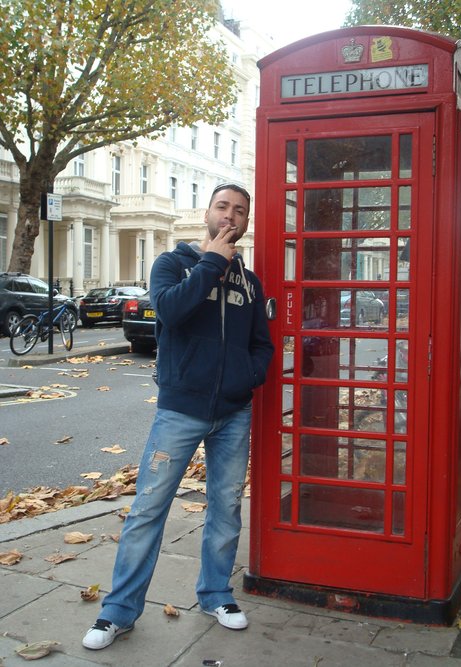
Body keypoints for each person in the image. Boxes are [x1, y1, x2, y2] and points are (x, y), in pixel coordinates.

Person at [82, 183, 274, 650]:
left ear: (248, 221)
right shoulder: (173, 264)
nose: (231, 216)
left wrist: (249, 376)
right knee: (148, 508)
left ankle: (215, 594)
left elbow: (261, 343)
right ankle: (118, 612)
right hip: (180, 411)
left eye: (240, 211)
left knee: (226, 509)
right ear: (206, 212)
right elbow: (170, 310)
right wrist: (212, 262)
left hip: (233, 413)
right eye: (223, 207)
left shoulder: (250, 283)